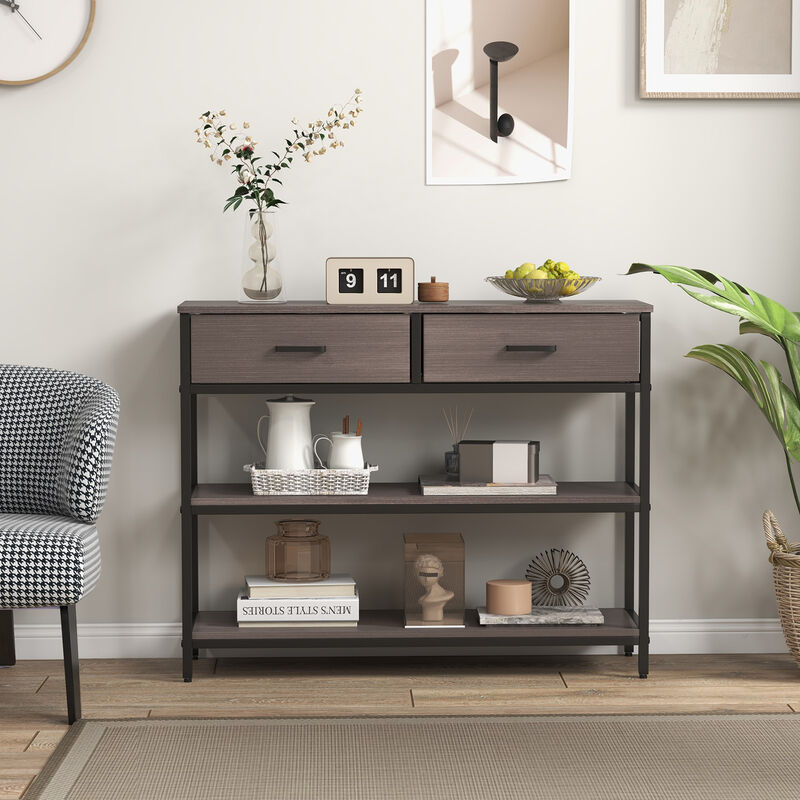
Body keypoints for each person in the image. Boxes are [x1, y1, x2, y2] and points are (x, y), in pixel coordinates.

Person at [415, 554, 454, 621]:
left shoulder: (444, 596)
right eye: (423, 574)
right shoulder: (424, 597)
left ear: (440, 574)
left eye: (432, 575)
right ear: (416, 574)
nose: (427, 579)